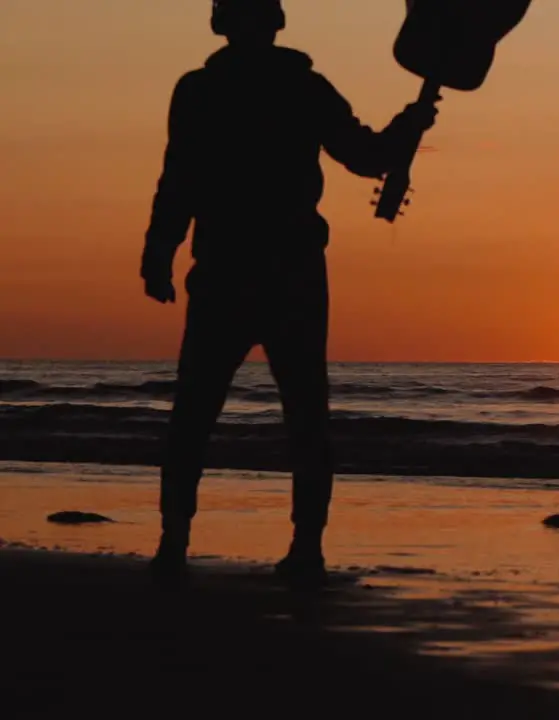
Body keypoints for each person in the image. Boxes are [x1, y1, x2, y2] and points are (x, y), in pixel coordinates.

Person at [141, 0, 437, 588]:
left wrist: (159, 251)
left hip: (248, 267)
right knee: (284, 414)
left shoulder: (214, 90)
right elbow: (366, 156)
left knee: (213, 413)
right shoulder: (279, 89)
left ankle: (205, 543)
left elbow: (181, 177)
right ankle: (280, 547)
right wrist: (407, 126)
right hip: (272, 269)